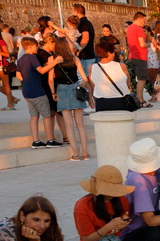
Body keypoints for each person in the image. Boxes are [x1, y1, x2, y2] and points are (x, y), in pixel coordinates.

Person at [47, 32, 91, 160]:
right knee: (80, 124)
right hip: (75, 88)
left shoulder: (52, 59)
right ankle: (85, 153)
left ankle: (75, 154)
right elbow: (84, 78)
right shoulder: (74, 58)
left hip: (62, 90)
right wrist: (81, 86)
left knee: (69, 125)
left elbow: (50, 79)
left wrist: (53, 93)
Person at [89, 39, 133, 112]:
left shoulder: (92, 68)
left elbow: (93, 86)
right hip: (120, 101)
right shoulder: (121, 66)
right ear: (109, 53)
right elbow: (128, 84)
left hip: (101, 102)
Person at [124, 12, 150, 105]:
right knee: (141, 79)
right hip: (140, 56)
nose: (144, 22)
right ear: (139, 19)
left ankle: (138, 99)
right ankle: (140, 100)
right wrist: (149, 45)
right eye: (144, 20)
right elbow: (142, 44)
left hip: (132, 55)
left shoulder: (129, 28)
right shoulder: (139, 29)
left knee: (137, 79)